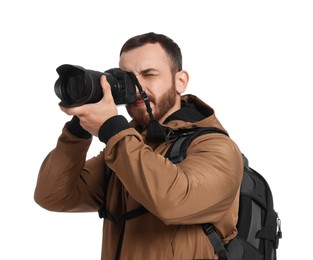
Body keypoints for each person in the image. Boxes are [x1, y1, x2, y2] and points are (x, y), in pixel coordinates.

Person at [34, 32, 243, 260]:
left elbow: (174, 201)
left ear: (180, 80)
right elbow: (53, 196)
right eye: (127, 78)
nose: (136, 88)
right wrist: (77, 130)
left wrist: (113, 130)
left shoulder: (217, 147)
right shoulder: (124, 148)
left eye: (148, 74)